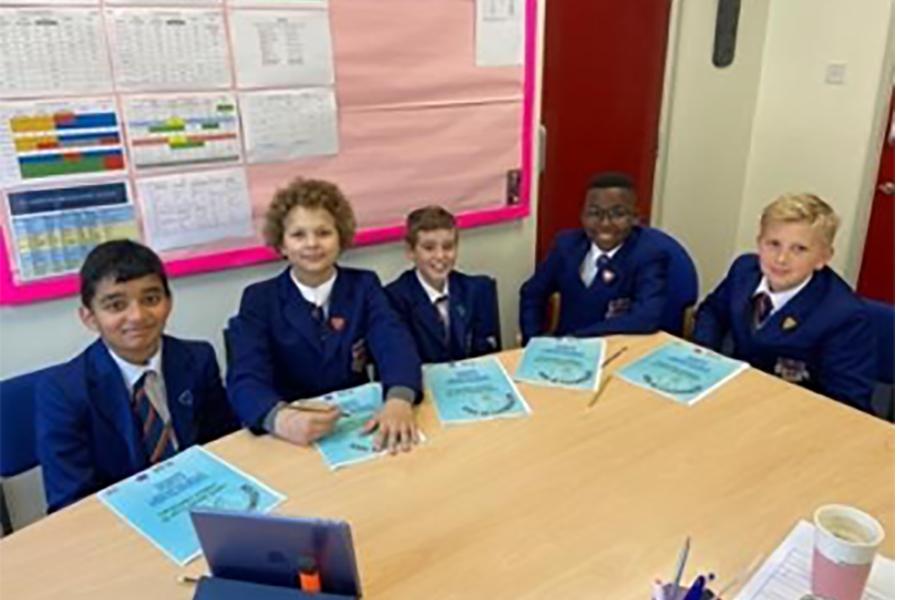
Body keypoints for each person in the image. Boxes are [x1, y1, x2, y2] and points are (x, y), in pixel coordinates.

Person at [36, 240, 238, 512]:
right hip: (122, 515)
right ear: (89, 317)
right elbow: (70, 501)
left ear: (169, 302)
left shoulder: (197, 358)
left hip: (202, 497)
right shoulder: (62, 391)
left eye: (151, 300)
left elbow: (224, 444)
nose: (137, 316)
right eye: (116, 305)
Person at [226, 177, 422, 453]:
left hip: (355, 425)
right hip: (291, 435)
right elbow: (244, 377)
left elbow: (395, 343)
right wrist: (278, 418)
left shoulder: (365, 286)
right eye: (298, 235)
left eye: (323, 233)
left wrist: (399, 398)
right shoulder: (259, 300)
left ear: (341, 237)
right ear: (281, 244)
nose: (312, 244)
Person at [692, 193, 876, 411]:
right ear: (759, 243)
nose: (781, 259)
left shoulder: (844, 315)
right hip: (737, 394)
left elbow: (847, 404)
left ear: (823, 258)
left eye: (799, 249)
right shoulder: (744, 271)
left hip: (796, 411)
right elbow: (712, 312)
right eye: (773, 244)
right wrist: (707, 357)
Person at [519, 171, 668, 343]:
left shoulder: (648, 255)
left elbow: (646, 318)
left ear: (635, 218)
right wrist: (534, 339)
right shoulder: (566, 246)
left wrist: (578, 339)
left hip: (616, 348)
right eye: (594, 213)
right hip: (565, 350)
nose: (605, 223)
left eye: (617, 214)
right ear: (582, 216)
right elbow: (532, 293)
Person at [385, 206, 501, 363]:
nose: (440, 256)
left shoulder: (478, 291)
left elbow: (488, 354)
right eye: (429, 248)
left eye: (448, 247)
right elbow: (398, 361)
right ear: (410, 251)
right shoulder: (393, 299)